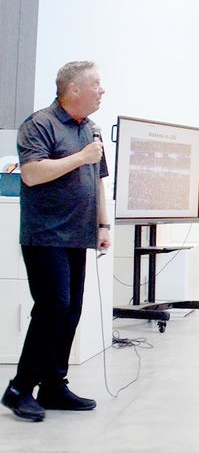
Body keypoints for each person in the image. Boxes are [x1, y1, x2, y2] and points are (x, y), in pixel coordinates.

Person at [3, 61, 110, 422]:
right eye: (96, 84)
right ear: (73, 90)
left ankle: (53, 385)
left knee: (71, 312)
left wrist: (104, 225)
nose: (102, 90)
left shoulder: (91, 130)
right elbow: (31, 174)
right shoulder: (40, 124)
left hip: (77, 235)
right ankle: (20, 388)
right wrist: (80, 157)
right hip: (45, 235)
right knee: (53, 308)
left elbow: (97, 181)